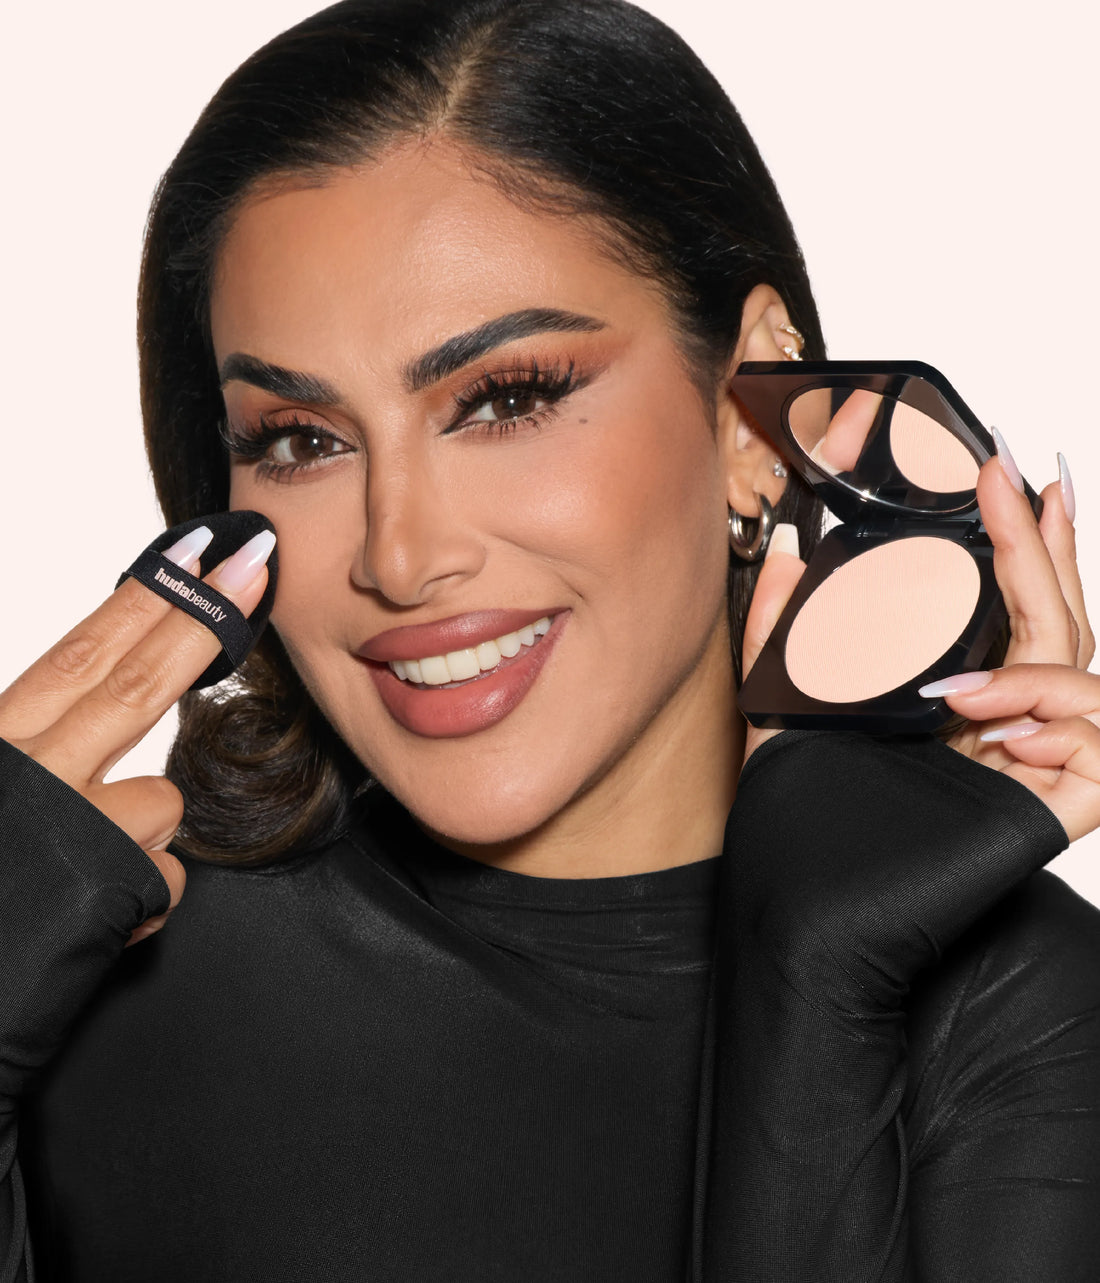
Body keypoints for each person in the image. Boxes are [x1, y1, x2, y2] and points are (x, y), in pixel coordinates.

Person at [1, 0, 1098, 1278]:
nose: (398, 555)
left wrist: (812, 990)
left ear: (747, 413)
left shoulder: (1021, 1017)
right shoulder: (89, 972)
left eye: (505, 400)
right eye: (301, 439)